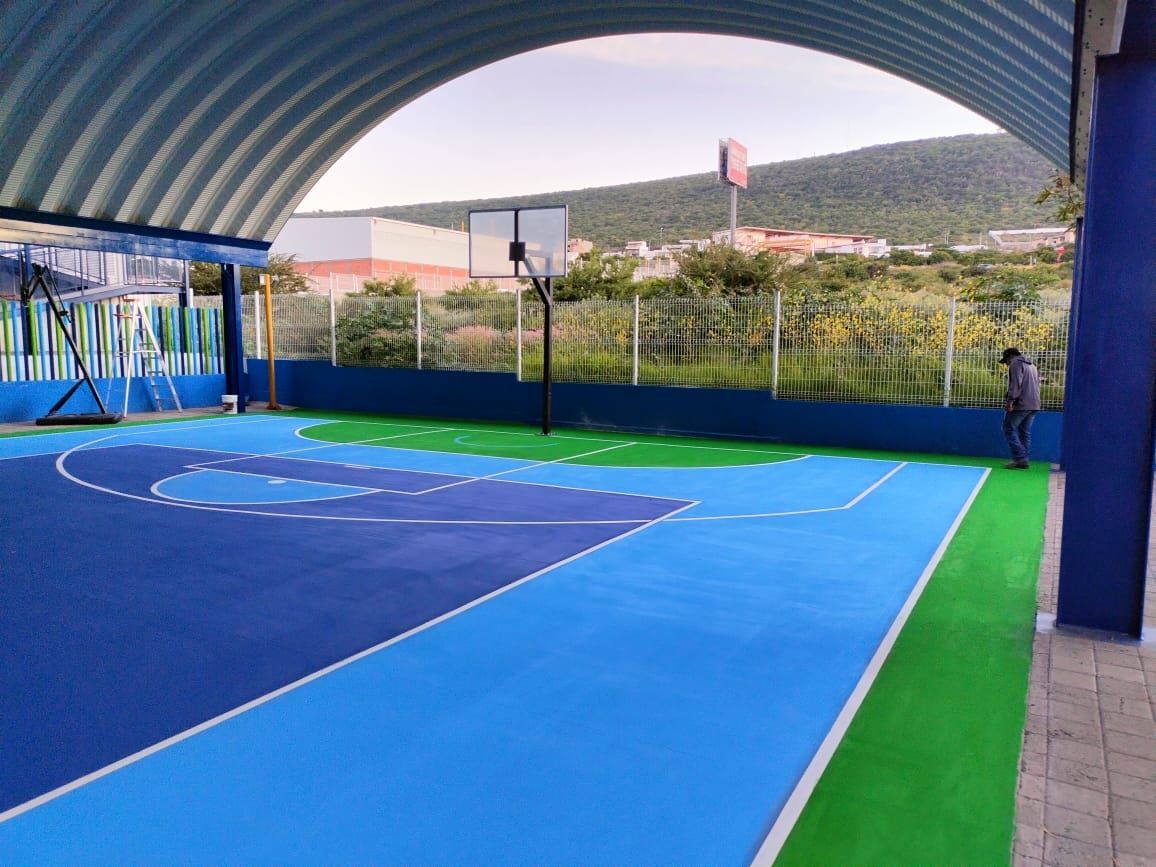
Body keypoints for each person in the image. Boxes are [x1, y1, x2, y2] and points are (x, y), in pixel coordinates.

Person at [999, 347, 1041, 469]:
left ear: (1010, 357)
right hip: (1034, 403)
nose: (1007, 364)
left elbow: (1015, 384)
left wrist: (1010, 401)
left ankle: (1020, 458)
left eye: (1006, 361)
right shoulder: (1031, 365)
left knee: (1008, 428)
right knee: (1024, 432)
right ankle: (1024, 459)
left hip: (1022, 403)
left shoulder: (1016, 364)